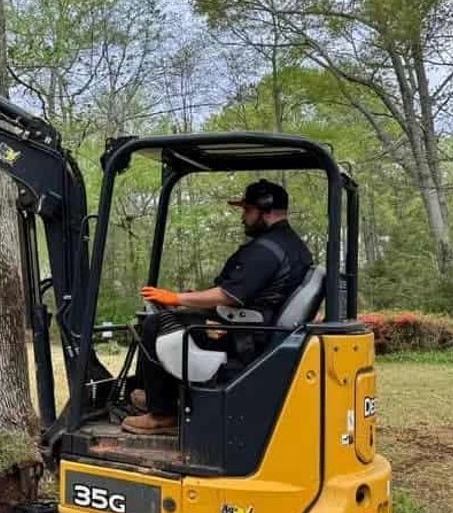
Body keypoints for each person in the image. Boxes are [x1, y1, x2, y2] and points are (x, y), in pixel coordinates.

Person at [122, 179, 312, 435]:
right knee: (181, 319)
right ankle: (161, 397)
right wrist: (194, 299)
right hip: (259, 328)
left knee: (156, 323)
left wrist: (176, 298)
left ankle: (163, 413)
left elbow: (229, 295)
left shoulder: (266, 250)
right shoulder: (290, 245)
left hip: (249, 339)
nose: (243, 218)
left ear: (264, 208)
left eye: (247, 210)